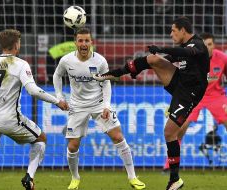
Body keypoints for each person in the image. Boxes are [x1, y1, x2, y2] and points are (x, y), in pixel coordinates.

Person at [93, 16, 210, 190]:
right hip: (180, 82)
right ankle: (117, 73)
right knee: (153, 59)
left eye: (173, 30)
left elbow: (186, 53)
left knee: (169, 133)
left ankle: (175, 179)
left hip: (190, 94)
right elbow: (172, 58)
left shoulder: (197, 45)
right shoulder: (186, 46)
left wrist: (161, 49)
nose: (171, 34)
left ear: (183, 30)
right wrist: (141, 66)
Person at [53, 27, 146, 190]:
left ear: (91, 42)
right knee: (73, 146)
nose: (83, 44)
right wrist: (59, 96)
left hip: (98, 103)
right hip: (77, 106)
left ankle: (132, 177)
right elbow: (57, 75)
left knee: (118, 137)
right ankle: (75, 178)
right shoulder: (66, 60)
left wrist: (107, 106)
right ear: (75, 42)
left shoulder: (100, 61)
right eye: (80, 40)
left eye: (86, 40)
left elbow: (106, 82)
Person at [0, 29, 66, 190]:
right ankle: (29, 177)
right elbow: (33, 91)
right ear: (16, 45)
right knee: (41, 139)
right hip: (10, 119)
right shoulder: (21, 64)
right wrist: (57, 101)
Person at [163, 32, 227, 171]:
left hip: (216, 96)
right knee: (179, 127)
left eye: (210, 44)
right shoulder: (190, 57)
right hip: (194, 95)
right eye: (204, 45)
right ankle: (169, 164)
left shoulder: (222, 58)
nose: (207, 47)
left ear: (214, 45)